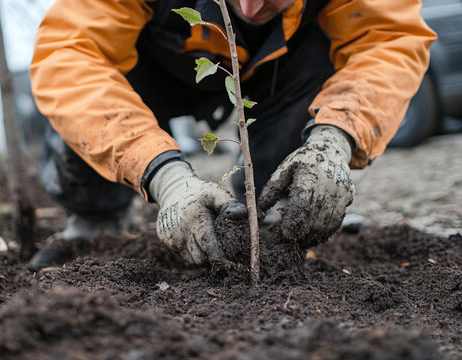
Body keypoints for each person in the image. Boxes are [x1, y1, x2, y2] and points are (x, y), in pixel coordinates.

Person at [28, 0, 436, 270]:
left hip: (280, 73)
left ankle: (265, 215)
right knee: (89, 84)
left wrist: (335, 137)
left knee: (325, 49)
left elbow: (388, 39)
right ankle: (96, 219)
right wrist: (164, 175)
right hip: (151, 66)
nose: (251, 6)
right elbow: (70, 54)